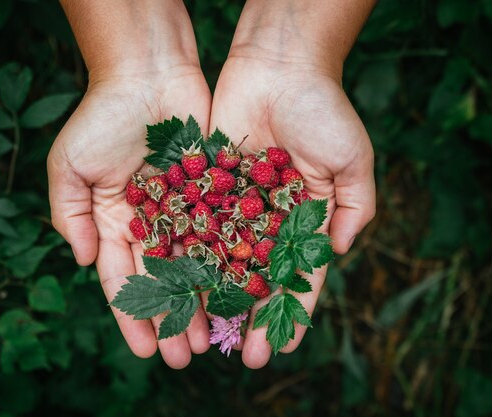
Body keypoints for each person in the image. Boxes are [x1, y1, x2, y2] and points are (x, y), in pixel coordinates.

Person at [47, 0, 376, 370]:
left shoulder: (226, 203)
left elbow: (226, 210)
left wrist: (297, 62)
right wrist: (128, 68)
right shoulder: (204, 203)